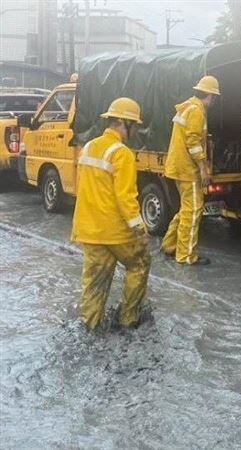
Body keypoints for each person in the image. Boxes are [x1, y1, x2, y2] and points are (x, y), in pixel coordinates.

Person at [72, 97, 151, 331]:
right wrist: (140, 230)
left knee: (94, 284)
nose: (135, 130)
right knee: (140, 263)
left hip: (89, 230)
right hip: (116, 232)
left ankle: (90, 327)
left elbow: (83, 189)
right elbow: (126, 198)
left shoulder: (88, 147)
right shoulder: (122, 153)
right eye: (134, 125)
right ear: (123, 123)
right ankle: (128, 319)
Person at [161, 76, 221, 265]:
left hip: (178, 166)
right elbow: (193, 142)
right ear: (210, 95)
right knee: (194, 211)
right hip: (187, 169)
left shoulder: (188, 106)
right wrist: (203, 169)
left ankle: (170, 245)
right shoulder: (196, 111)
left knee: (186, 209)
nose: (215, 101)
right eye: (214, 97)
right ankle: (186, 256)